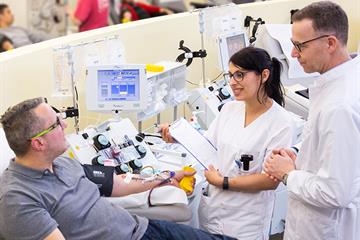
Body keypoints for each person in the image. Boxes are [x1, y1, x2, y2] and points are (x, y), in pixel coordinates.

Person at [0, 97, 236, 240]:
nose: (65, 123)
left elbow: (118, 183)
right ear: (38, 143)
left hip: (141, 228)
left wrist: (169, 175)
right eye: (56, 123)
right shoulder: (18, 199)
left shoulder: (62, 163)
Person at [161, 47, 295, 239]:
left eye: (240, 75)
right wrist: (177, 136)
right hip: (212, 212)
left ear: (264, 75)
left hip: (245, 222)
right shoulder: (230, 109)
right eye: (230, 75)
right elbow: (207, 145)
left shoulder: (280, 122)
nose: (232, 82)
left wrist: (223, 182)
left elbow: (269, 180)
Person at [263, 1, 360, 239]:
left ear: (330, 43)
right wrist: (300, 152)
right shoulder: (337, 82)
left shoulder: (340, 105)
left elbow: (335, 193)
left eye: (299, 46)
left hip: (325, 229)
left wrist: (287, 174)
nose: (293, 54)